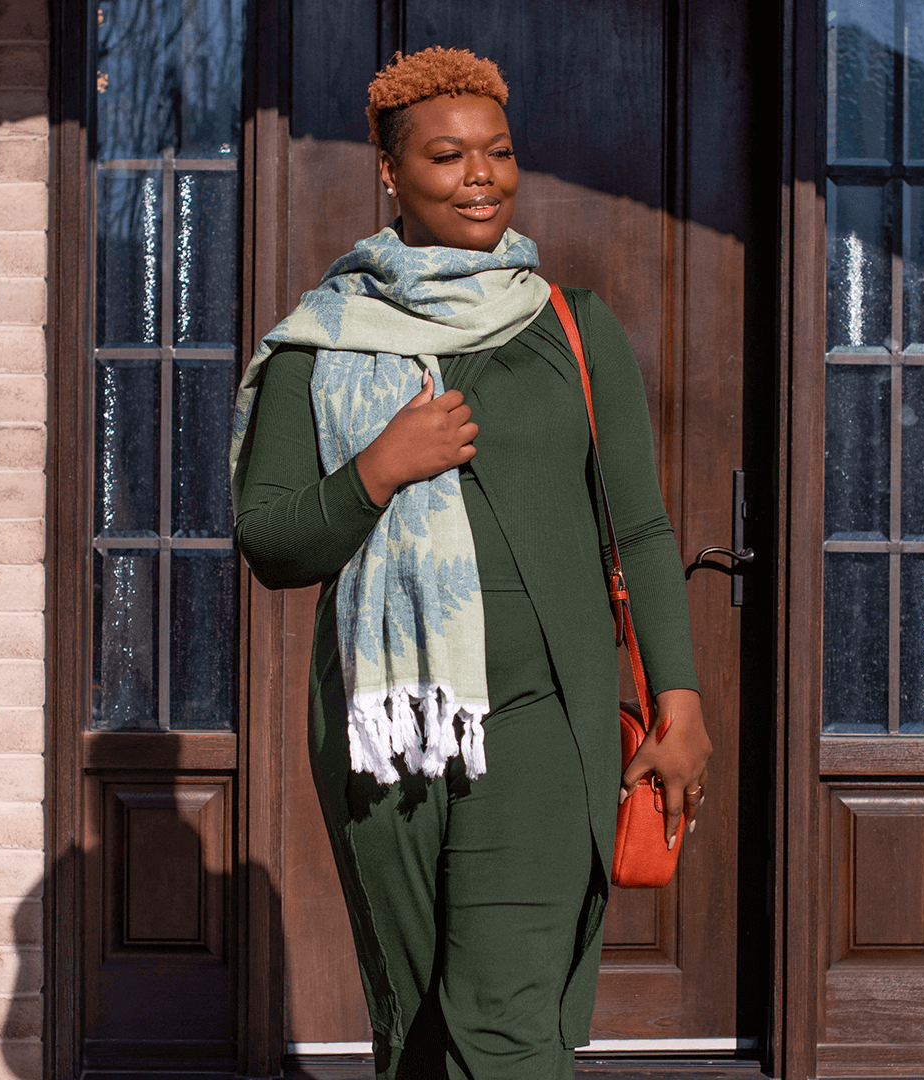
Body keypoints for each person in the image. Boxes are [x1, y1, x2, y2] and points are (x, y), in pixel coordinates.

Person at [230, 46, 712, 1080]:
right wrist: (377, 470)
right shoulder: (321, 345)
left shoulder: (574, 330)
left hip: (545, 715)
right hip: (388, 724)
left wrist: (681, 701)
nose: (481, 176)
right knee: (420, 1028)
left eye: (497, 152)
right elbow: (270, 542)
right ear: (390, 173)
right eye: (447, 158)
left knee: (502, 1022)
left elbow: (640, 531)